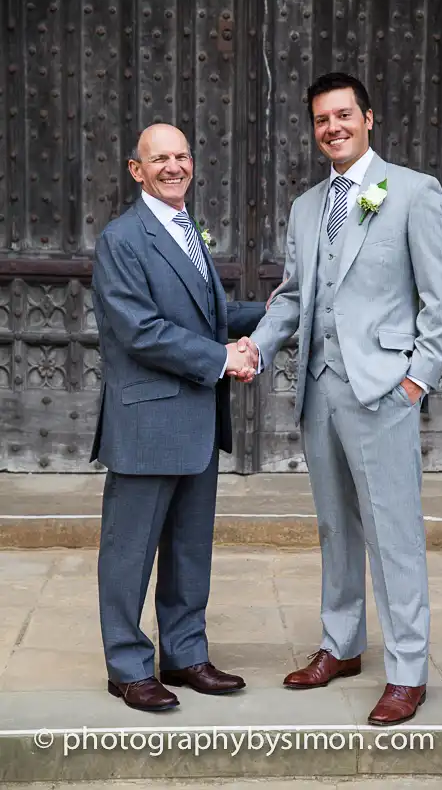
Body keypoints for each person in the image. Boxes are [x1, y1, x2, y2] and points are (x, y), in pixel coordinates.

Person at [238, 73, 442, 725]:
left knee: (393, 533)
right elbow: (294, 295)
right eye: (320, 119)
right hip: (320, 388)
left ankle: (407, 670)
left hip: (383, 389)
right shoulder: (306, 207)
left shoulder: (412, 192)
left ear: (368, 117)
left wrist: (416, 379)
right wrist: (256, 346)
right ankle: (340, 645)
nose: (331, 127)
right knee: (336, 527)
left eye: (342, 115)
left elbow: (439, 297)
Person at [90, 123, 265, 712]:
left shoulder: (188, 229)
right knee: (129, 549)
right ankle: (127, 665)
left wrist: (275, 313)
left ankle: (186, 655)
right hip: (146, 421)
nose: (174, 166)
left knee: (191, 548)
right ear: (136, 170)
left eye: (183, 155)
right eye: (159, 158)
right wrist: (222, 357)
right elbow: (139, 330)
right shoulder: (123, 239)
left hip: (194, 419)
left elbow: (206, 316)